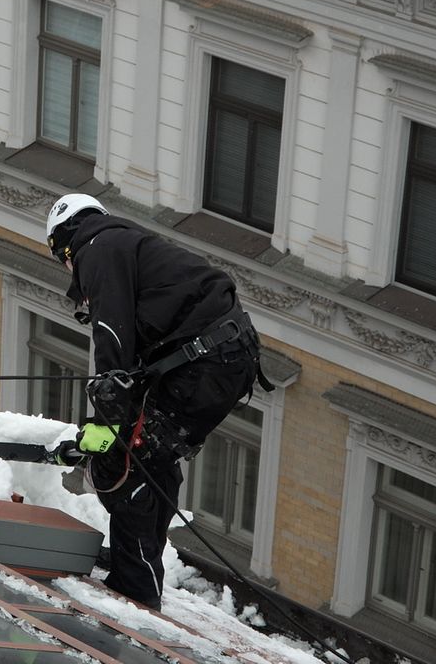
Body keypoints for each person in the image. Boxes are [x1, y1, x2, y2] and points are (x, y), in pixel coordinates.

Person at [43, 193, 268, 609]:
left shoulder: (97, 249)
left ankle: (136, 587)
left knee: (130, 459)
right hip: (223, 359)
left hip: (208, 363)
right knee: (151, 456)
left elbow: (112, 342)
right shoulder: (127, 243)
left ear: (64, 245)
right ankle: (137, 564)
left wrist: (105, 425)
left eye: (63, 261)